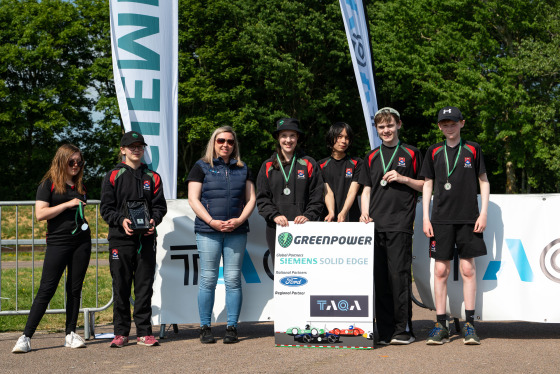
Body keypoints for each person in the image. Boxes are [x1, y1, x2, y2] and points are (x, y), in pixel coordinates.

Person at [420, 106, 489, 345]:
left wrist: (484, 214)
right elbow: (427, 184)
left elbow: (484, 181)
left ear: (462, 123)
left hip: (469, 217)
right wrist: (425, 217)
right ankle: (441, 324)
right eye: (444, 123)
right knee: (440, 271)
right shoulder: (434, 151)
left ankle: (469, 324)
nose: (449, 127)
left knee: (468, 270)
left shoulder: (473, 148)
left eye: (453, 122)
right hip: (440, 219)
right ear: (440, 126)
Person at [12, 144, 91, 353]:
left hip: (82, 241)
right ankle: (26, 337)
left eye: (79, 162)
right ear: (61, 161)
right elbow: (40, 214)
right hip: (58, 242)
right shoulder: (48, 184)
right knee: (46, 289)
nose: (76, 165)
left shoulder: (80, 185)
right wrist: (67, 204)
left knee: (75, 289)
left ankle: (70, 334)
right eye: (71, 162)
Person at [359, 107, 424, 345]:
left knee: (399, 276)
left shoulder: (412, 153)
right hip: (375, 225)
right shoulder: (370, 156)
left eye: (390, 125)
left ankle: (403, 330)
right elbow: (366, 188)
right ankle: (385, 332)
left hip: (400, 223)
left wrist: (404, 178)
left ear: (399, 125)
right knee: (381, 279)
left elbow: (425, 185)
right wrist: (364, 211)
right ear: (377, 130)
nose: (386, 130)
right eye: (381, 126)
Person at [187, 126, 256, 344]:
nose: (225, 144)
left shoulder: (243, 168)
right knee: (208, 279)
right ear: (213, 143)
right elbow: (193, 199)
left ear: (235, 145)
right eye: (221, 141)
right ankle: (205, 327)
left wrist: (239, 220)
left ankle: (232, 327)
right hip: (209, 231)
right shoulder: (200, 166)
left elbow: (251, 199)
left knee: (233, 280)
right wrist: (211, 222)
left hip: (236, 231)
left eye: (230, 141)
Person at [100, 131, 167, 348]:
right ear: (123, 150)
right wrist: (121, 221)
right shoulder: (112, 175)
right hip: (120, 239)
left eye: (140, 146)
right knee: (120, 286)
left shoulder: (153, 177)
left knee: (144, 286)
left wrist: (153, 221)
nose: (136, 149)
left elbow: (160, 207)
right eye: (131, 146)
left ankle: (144, 332)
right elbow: (106, 209)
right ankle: (121, 333)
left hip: (146, 239)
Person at [256, 118, 324, 261]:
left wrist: (309, 215)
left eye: (292, 135)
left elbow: (317, 196)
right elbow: (262, 198)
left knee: (304, 272)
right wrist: (274, 215)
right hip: (276, 228)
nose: (288, 140)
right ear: (278, 138)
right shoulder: (267, 165)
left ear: (297, 137)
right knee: (282, 274)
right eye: (284, 136)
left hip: (304, 227)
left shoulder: (309, 163)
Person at [319, 122, 362, 222]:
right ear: (331, 138)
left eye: (347, 138)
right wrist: (331, 212)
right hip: (329, 218)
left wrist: (343, 212)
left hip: (351, 217)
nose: (343, 141)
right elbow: (327, 192)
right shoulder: (320, 165)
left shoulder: (357, 163)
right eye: (339, 136)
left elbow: (353, 191)